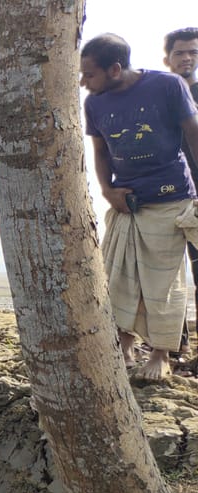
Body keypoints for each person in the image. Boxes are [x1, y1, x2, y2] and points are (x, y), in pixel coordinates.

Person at [80, 33, 198, 380]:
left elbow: (194, 135)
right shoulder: (94, 104)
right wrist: (107, 190)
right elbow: (101, 152)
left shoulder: (167, 86)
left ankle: (161, 354)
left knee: (161, 283)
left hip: (170, 196)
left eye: (89, 74)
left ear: (114, 69)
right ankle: (124, 345)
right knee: (118, 278)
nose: (83, 82)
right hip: (126, 203)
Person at [164, 27, 198, 354]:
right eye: (180, 52)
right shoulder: (159, 97)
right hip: (167, 197)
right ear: (168, 58)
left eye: (193, 52)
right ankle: (176, 346)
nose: (187, 58)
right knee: (168, 275)